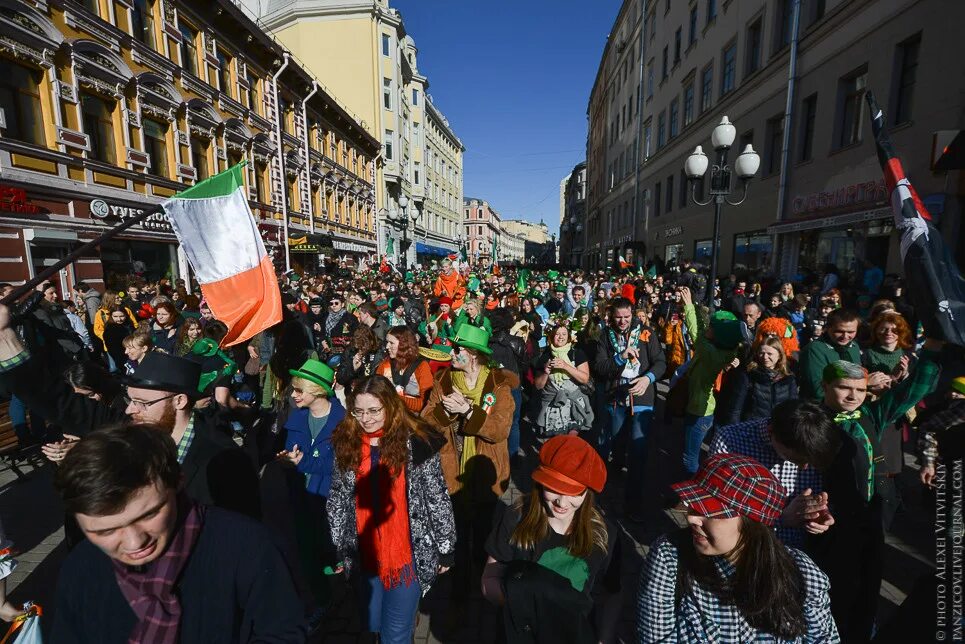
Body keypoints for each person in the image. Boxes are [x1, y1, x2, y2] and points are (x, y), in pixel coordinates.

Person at [50, 423, 307, 642]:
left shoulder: (248, 546)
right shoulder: (81, 567)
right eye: (105, 531)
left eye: (149, 514)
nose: (134, 542)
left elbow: (283, 633)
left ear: (178, 482)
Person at [636, 453, 838, 642]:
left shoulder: (802, 574)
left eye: (711, 512)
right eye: (694, 506)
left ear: (753, 524)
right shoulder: (670, 559)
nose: (691, 518)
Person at [810, 350, 941, 643]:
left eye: (860, 389)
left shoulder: (869, 413)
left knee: (868, 589)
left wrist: (934, 351)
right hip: (826, 524)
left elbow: (910, 393)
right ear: (825, 386)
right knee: (831, 590)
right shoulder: (811, 419)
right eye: (844, 387)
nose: (853, 395)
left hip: (870, 517)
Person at [328, 375, 456, 643]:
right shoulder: (347, 440)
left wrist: (445, 548)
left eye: (374, 410)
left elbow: (436, 496)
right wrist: (338, 544)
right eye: (359, 411)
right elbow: (338, 497)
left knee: (394, 635)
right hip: (364, 552)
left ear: (390, 405)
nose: (367, 419)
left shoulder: (418, 441)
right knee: (373, 623)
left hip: (407, 554)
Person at [482, 435, 620, 643]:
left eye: (574, 493)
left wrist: (604, 639)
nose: (562, 502)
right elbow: (489, 578)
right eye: (554, 488)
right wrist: (524, 607)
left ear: (588, 492)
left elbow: (613, 593)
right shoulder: (516, 517)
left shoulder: (604, 535)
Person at [421, 324, 516, 596]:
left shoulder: (498, 385)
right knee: (458, 534)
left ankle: (484, 585)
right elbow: (427, 422)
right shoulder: (444, 381)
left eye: (457, 349)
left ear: (473, 354)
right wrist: (448, 414)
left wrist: (468, 411)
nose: (451, 353)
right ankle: (460, 591)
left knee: (485, 533)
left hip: (487, 472)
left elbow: (499, 430)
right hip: (452, 472)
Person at [710, 399, 840, 547]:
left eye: (810, 462)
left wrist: (817, 514)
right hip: (745, 548)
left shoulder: (813, 448)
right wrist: (779, 519)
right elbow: (717, 510)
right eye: (794, 459)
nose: (804, 467)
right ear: (771, 432)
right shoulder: (731, 440)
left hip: (795, 552)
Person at [276, 359, 345, 610]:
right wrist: (286, 461)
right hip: (300, 495)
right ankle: (320, 599)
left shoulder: (343, 422)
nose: (293, 395)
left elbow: (341, 466)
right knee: (307, 550)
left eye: (298, 390)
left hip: (330, 499)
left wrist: (302, 463)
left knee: (329, 547)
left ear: (317, 390)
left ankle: (337, 596)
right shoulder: (296, 419)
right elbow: (289, 451)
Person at [592, 296, 666, 511]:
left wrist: (648, 378)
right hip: (616, 396)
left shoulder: (645, 333)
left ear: (632, 314)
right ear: (611, 316)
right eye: (618, 317)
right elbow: (599, 367)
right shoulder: (605, 335)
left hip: (642, 396)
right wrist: (619, 357)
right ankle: (601, 493)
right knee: (610, 443)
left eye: (627, 316)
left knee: (639, 449)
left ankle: (633, 502)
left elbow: (661, 362)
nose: (623, 321)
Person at [679, 286, 742, 475]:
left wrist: (689, 306)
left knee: (689, 458)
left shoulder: (710, 353)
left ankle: (693, 496)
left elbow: (696, 332)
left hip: (700, 412)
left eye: (712, 327)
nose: (708, 327)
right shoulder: (721, 350)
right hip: (701, 409)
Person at [533, 323, 594, 441]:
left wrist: (566, 366)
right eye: (557, 334)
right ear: (551, 337)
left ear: (569, 336)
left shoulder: (577, 354)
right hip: (552, 406)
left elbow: (584, 378)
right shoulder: (545, 355)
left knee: (570, 441)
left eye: (564, 334)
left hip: (573, 404)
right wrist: (546, 372)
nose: (560, 337)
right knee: (555, 441)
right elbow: (538, 386)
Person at [719, 336, 799, 425]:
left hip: (779, 429)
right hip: (752, 428)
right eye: (761, 353)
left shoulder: (788, 378)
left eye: (769, 354)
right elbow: (735, 408)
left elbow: (793, 407)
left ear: (779, 355)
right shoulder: (748, 375)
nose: (765, 357)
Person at [797, 308, 863, 399]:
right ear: (827, 328)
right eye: (839, 331)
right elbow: (818, 390)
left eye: (851, 332)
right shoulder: (814, 350)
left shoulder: (854, 347)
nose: (845, 336)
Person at [377, 326, 433, 412]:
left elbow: (427, 403)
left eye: (391, 343)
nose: (387, 346)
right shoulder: (384, 365)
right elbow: (376, 394)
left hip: (413, 418)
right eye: (387, 342)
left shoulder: (421, 366)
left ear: (404, 344)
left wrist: (396, 399)